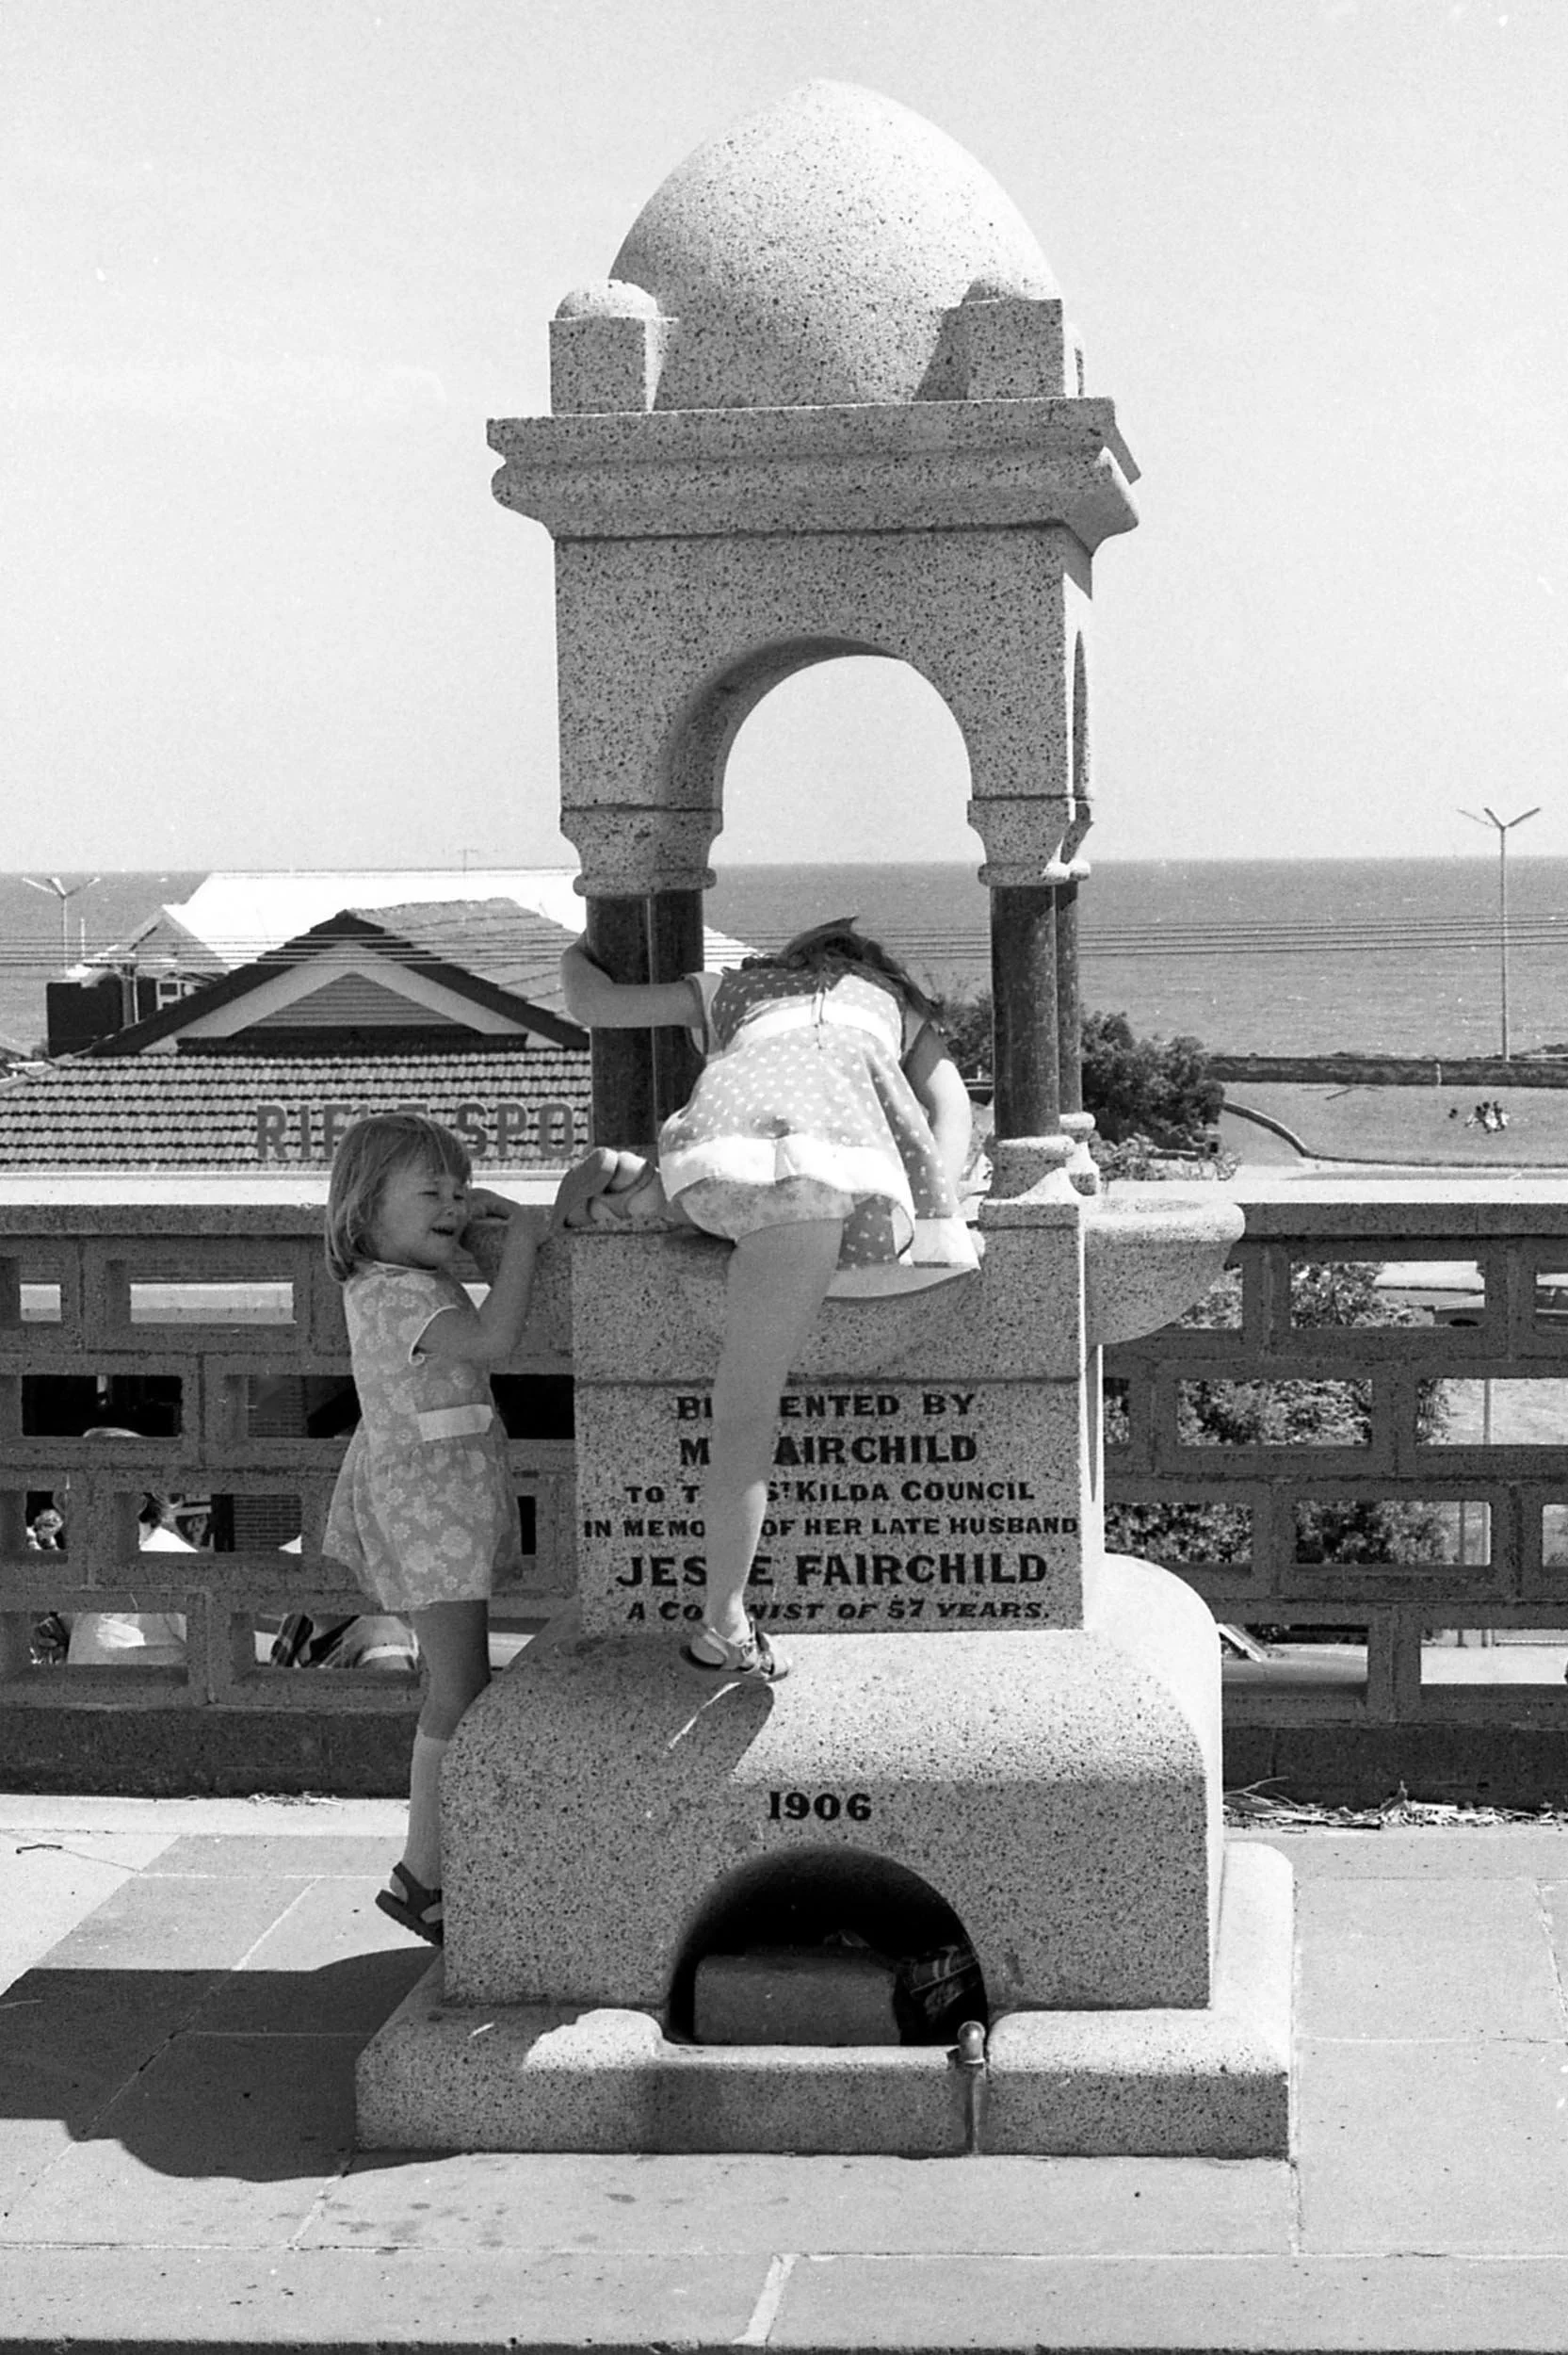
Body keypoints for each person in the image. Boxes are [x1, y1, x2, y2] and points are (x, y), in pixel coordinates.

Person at [559, 917, 978, 1686]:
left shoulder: (737, 989)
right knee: (746, 1407)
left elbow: (594, 1003)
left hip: (712, 1157)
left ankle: (631, 1192)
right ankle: (723, 1617)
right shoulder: (892, 1005)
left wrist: (585, 940)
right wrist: (934, 1204)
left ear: (789, 962)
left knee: (716, 1208)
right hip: (814, 1174)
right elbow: (952, 1113)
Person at [322, 1111, 540, 1946]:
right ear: (364, 1210)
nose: (453, 1205)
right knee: (455, 1690)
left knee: (462, 1686)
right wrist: (520, 1234)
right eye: (430, 1192)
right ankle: (422, 1872)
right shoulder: (398, 1295)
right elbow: (497, 1337)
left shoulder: (402, 1281)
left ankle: (439, 1867)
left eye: (459, 1187)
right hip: (429, 1516)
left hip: (442, 1507)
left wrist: (478, 1220)